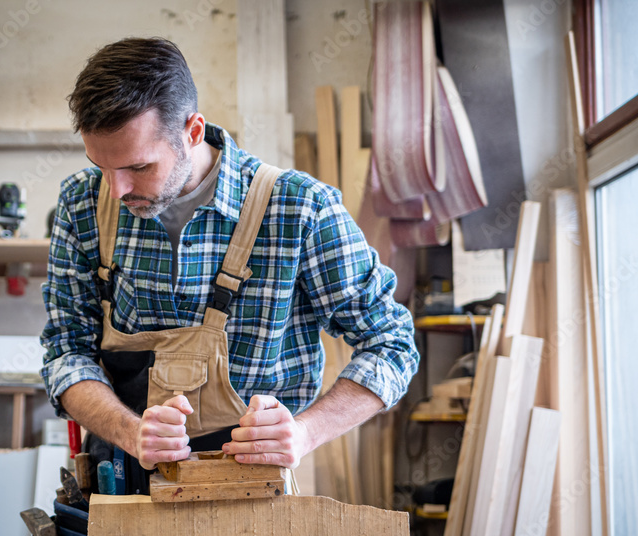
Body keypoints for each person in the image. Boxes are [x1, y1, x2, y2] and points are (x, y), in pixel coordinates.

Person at [41, 37, 418, 495]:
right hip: (118, 482)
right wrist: (129, 431)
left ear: (192, 131)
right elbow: (67, 353)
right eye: (102, 165)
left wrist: (304, 433)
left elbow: (391, 344)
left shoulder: (298, 210)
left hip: (250, 495)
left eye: (139, 166)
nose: (117, 189)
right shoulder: (82, 204)